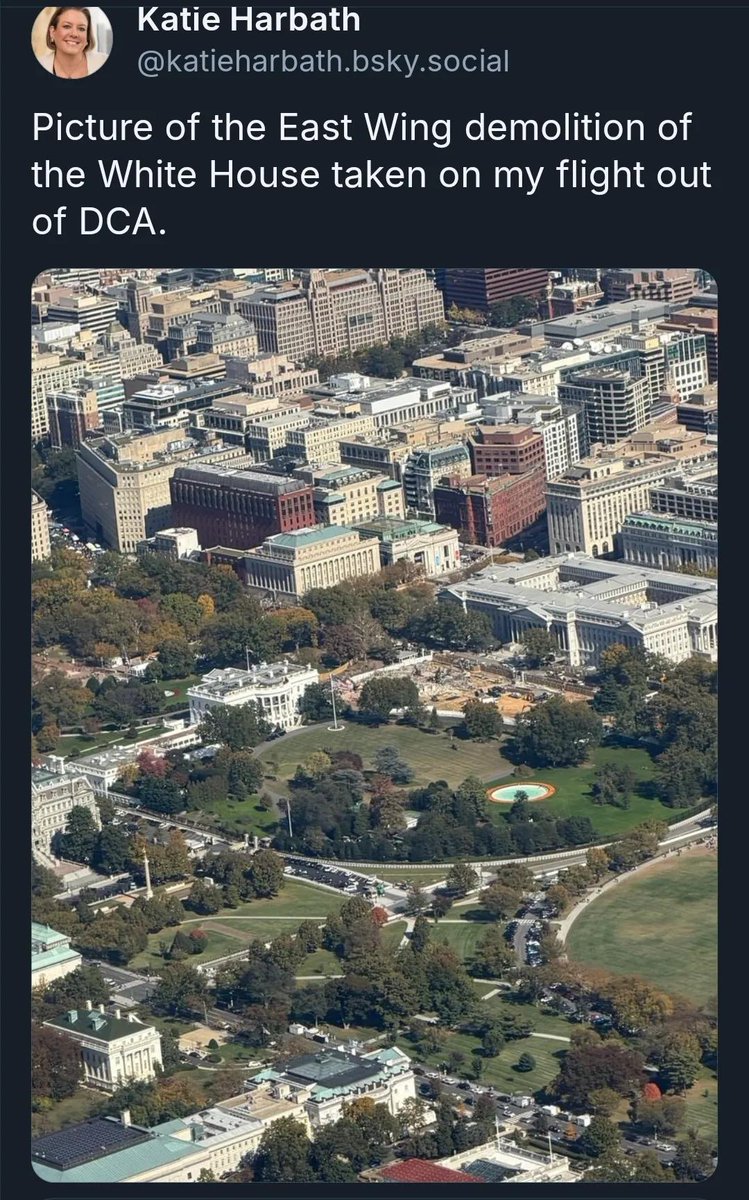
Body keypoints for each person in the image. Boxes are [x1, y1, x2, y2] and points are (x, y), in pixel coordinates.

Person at [37, 8, 108, 78]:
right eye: (67, 26)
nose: (74, 34)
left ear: (87, 36)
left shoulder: (103, 61)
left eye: (81, 29)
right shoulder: (41, 63)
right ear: (52, 32)